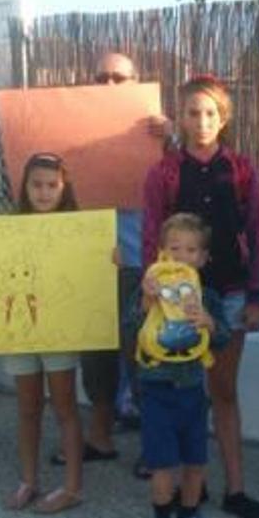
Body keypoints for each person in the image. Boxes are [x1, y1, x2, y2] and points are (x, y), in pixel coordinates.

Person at [142, 75, 259, 518]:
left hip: (229, 294)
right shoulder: (164, 172)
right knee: (180, 391)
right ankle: (181, 488)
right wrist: (150, 285)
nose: (201, 121)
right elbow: (150, 233)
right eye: (193, 112)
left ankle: (235, 489)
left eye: (210, 112)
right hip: (175, 298)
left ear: (224, 117)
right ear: (180, 116)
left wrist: (257, 295)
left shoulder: (241, 169)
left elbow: (257, 231)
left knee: (222, 391)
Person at [61, 52, 165, 471]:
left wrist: (169, 140)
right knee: (96, 358)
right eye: (100, 76)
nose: (108, 84)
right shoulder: (70, 131)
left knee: (144, 357)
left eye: (118, 78)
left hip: (138, 263)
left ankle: (154, 448)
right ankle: (100, 438)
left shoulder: (156, 132)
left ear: (136, 82)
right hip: (90, 263)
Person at [0, 153, 85, 514]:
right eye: (36, 185)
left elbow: (89, 275)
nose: (43, 192)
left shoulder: (78, 229)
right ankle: (29, 480)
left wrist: (110, 259)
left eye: (51, 185)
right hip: (19, 330)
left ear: (63, 187)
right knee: (27, 408)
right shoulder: (8, 227)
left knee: (65, 406)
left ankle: (72, 486)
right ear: (23, 187)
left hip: (59, 330)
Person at [132, 213, 229, 518]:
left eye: (191, 250)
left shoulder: (208, 298)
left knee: (195, 460)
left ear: (203, 258)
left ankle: (189, 512)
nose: (181, 256)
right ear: (161, 251)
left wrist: (210, 324)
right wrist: (147, 302)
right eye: (174, 248)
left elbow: (223, 339)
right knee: (160, 464)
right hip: (156, 390)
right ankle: (162, 515)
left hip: (192, 393)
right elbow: (130, 328)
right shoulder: (149, 292)